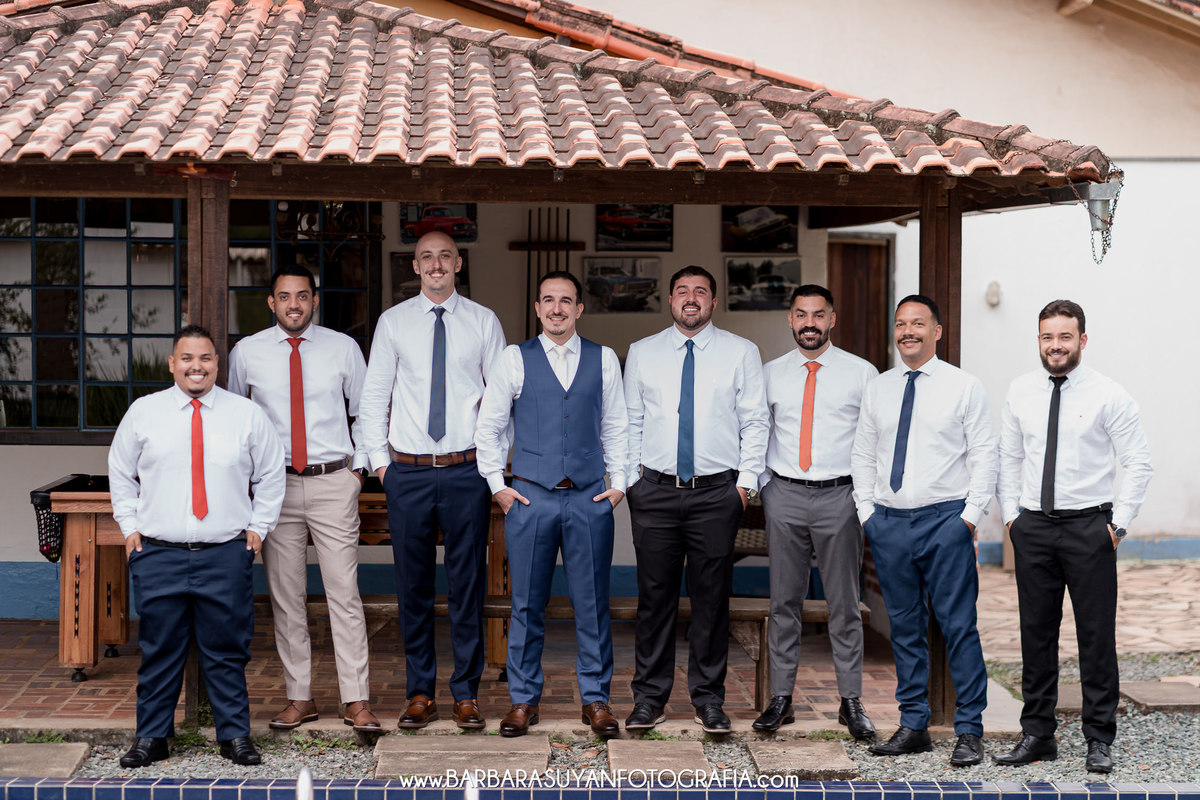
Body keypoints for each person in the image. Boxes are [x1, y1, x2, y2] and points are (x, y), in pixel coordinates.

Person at [108, 325, 285, 768]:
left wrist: (259, 528)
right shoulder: (144, 412)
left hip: (224, 553)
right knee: (159, 649)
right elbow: (121, 472)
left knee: (226, 650)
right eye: (187, 358)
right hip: (158, 553)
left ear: (216, 364)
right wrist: (129, 527)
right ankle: (152, 737)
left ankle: (235, 736)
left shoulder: (245, 415)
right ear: (172, 364)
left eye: (205, 358)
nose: (196, 366)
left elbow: (270, 474)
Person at [993, 299, 1152, 774]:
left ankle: (1099, 738)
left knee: (1095, 636)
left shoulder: (1109, 395)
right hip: (1034, 527)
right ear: (1038, 340)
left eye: (1065, 336)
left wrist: (1118, 525)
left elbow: (1138, 462)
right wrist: (1011, 518)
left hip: (1089, 528)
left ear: (1082, 340)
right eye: (1047, 337)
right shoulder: (1020, 391)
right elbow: (1008, 458)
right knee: (1035, 633)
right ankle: (1038, 734)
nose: (1055, 345)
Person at [359, 231, 506, 730]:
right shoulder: (393, 322)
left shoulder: (483, 321)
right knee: (413, 587)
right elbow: (374, 398)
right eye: (427, 257)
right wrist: (382, 467)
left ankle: (466, 692)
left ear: (459, 263)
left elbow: (499, 402)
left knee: (467, 584)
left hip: (466, 471)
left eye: (445, 256)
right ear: (416, 266)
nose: (436, 264)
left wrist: (491, 467)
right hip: (409, 472)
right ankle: (420, 691)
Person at [475, 271, 630, 737]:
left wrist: (619, 484)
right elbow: (490, 426)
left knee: (593, 604)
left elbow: (616, 425)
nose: (557, 308)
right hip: (530, 498)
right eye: (548, 300)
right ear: (538, 308)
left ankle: (596, 699)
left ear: (579, 308)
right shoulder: (514, 358)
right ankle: (523, 701)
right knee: (526, 604)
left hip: (589, 497)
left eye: (566, 301)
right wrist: (497, 485)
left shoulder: (603, 359)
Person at [228, 265, 378, 733]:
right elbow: (233, 420)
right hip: (276, 488)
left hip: (333, 481)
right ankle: (300, 697)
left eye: (302, 296)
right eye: (284, 296)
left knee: (344, 594)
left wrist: (357, 472)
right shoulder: (247, 353)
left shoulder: (343, 348)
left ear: (314, 300)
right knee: (287, 597)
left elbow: (366, 412)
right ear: (271, 303)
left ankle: (356, 699)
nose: (293, 304)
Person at [850, 294, 996, 767]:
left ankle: (969, 730)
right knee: (905, 629)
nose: (907, 332)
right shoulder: (879, 388)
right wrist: (867, 514)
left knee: (958, 627)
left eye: (917, 323)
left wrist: (968, 519)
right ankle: (913, 724)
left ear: (937, 331)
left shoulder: (964, 386)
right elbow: (863, 454)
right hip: (890, 523)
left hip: (945, 522)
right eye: (900, 324)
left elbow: (985, 455)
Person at [623, 265, 769, 734]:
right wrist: (631, 483)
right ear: (670, 300)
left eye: (700, 291)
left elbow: (756, 422)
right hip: (655, 493)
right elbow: (630, 421)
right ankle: (649, 699)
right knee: (654, 600)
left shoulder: (741, 353)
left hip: (715, 495)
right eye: (682, 290)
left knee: (711, 601)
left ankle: (709, 700)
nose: (691, 298)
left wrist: (744, 486)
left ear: (713, 302)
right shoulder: (642, 352)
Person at [754, 285, 877, 740]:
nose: (810, 323)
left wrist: (862, 497)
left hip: (839, 497)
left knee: (844, 604)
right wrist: (766, 486)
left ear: (832, 319)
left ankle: (851, 701)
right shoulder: (769, 373)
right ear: (790, 319)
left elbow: (873, 439)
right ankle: (781, 698)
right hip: (784, 494)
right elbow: (756, 430)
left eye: (818, 314)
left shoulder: (861, 373)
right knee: (783, 601)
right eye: (802, 314)